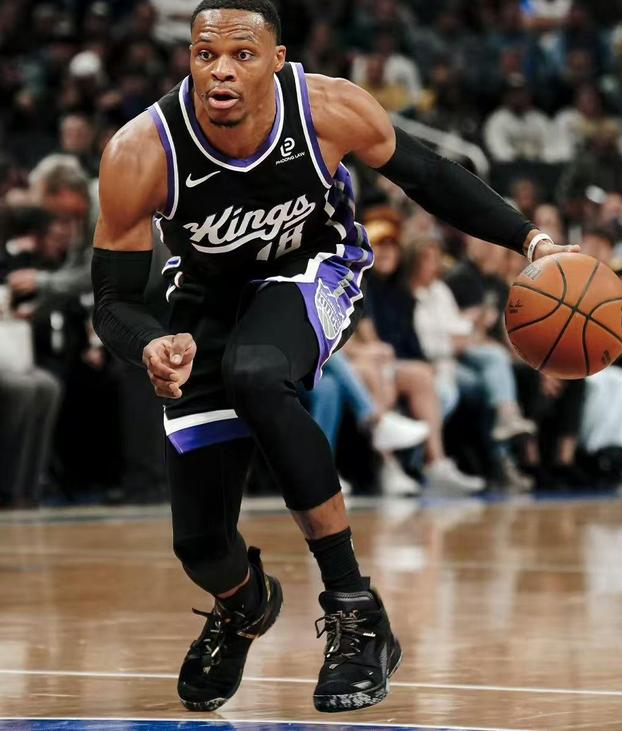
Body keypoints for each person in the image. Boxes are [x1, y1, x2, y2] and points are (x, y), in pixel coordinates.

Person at [91, 0, 576, 714]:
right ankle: (244, 604)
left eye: (242, 54)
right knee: (201, 547)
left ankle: (355, 608)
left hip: (314, 268)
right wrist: (149, 343)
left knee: (258, 372)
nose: (221, 70)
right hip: (205, 301)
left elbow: (429, 176)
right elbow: (112, 300)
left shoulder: (327, 108)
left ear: (276, 60)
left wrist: (530, 239)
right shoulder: (141, 150)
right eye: (205, 54)